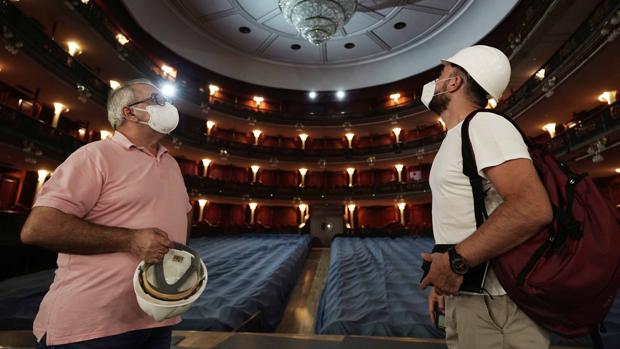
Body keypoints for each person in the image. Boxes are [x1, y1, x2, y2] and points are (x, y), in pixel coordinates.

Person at [20, 79, 192, 348]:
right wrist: (129, 239)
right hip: (91, 328)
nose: (168, 106)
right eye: (157, 100)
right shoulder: (94, 156)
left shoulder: (170, 164)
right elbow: (39, 228)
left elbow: (183, 215)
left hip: (156, 319)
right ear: (130, 112)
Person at [418, 46, 553, 348]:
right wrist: (442, 283)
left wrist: (453, 262)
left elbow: (532, 208)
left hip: (496, 304)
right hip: (470, 295)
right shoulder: (459, 135)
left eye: (441, 74)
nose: (436, 81)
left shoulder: (484, 124)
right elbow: (462, 219)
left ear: (454, 82)